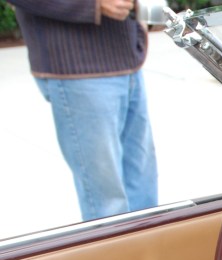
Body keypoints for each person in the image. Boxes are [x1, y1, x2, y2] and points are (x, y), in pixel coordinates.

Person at [9, 0, 158, 222]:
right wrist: (92, 4)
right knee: (108, 211)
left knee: (145, 202)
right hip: (78, 68)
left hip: (127, 59)